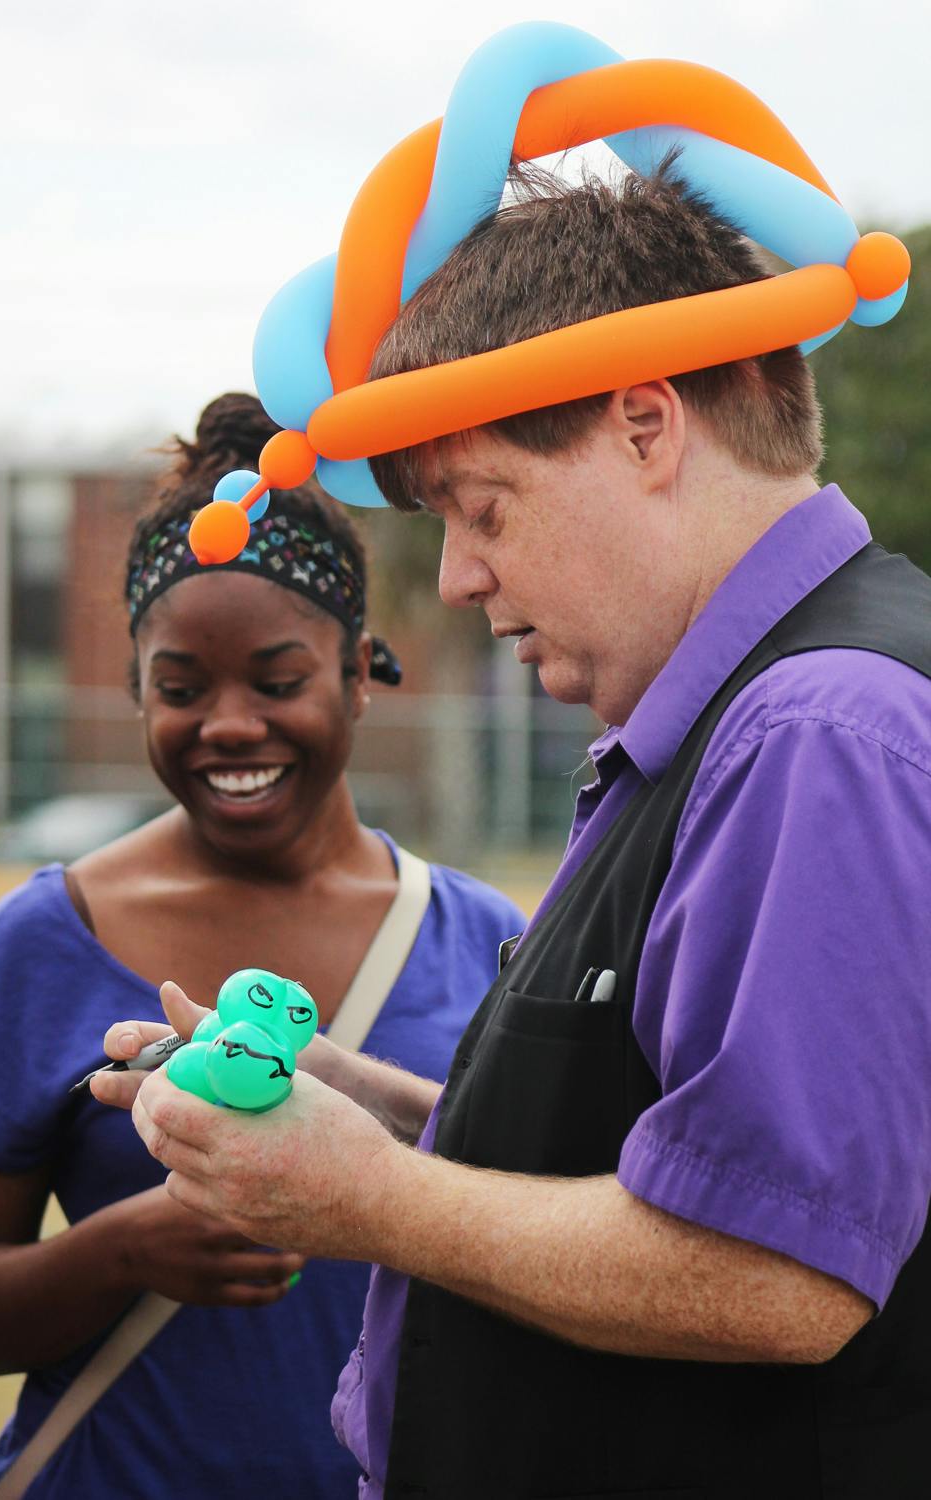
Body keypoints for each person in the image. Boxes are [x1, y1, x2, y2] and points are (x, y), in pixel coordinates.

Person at [106, 170, 931, 1500]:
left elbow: (779, 1272)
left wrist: (365, 1197)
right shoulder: (755, 714)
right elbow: (691, 1143)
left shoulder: (815, 732)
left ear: (647, 427)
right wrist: (377, 1106)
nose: (457, 578)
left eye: (481, 509)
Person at [0, 393, 525, 1499]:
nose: (231, 724)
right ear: (134, 693)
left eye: (279, 679)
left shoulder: (488, 943)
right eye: (181, 689)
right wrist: (120, 1251)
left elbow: (556, 1255)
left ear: (358, 673)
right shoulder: (43, 941)